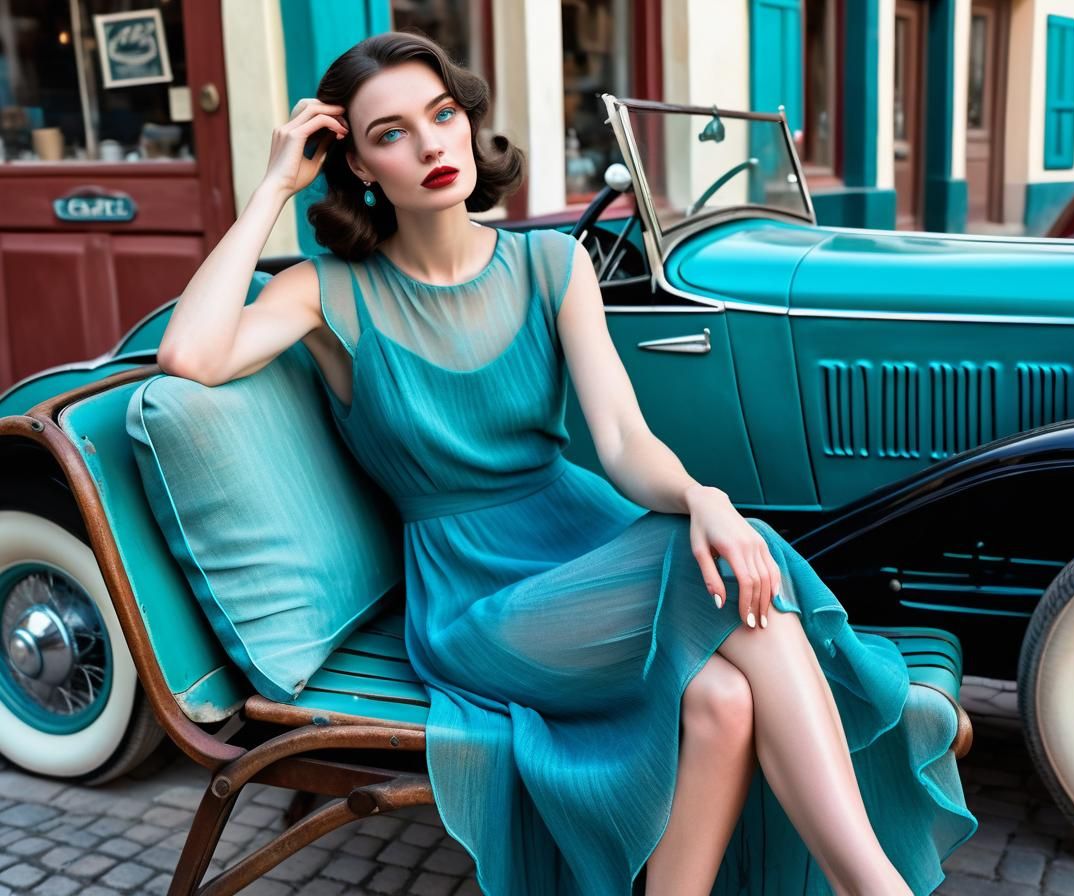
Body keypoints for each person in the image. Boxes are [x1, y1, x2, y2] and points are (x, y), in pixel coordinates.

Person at [157, 30, 976, 896]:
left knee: (723, 690)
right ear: (357, 163)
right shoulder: (326, 291)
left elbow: (622, 441)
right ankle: (869, 885)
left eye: (441, 114)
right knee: (725, 564)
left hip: (584, 538)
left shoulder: (551, 262)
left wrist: (703, 498)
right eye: (391, 132)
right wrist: (273, 188)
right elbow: (190, 357)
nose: (434, 144)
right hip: (476, 595)